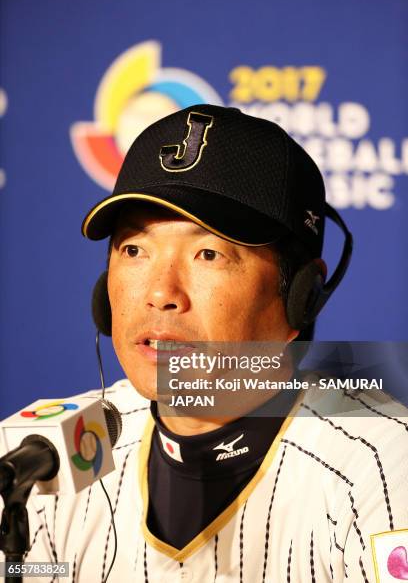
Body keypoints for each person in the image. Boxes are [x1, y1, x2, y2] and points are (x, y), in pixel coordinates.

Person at [15, 105, 408, 581]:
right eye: (134, 250)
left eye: (209, 254)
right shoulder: (40, 461)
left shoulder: (382, 464)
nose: (160, 294)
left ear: (302, 295)